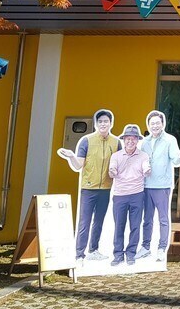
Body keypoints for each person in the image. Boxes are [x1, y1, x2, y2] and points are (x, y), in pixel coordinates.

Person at [57, 109, 120, 264]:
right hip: (88, 188)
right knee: (84, 222)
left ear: (111, 123)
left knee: (99, 221)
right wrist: (71, 156)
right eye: (100, 121)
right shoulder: (87, 140)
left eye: (106, 121)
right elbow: (78, 165)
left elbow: (120, 163)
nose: (103, 124)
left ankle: (93, 250)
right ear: (96, 124)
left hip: (106, 188)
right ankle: (79, 254)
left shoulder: (116, 142)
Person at [136, 110, 180, 262]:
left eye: (157, 123)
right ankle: (145, 247)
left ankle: (161, 248)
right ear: (148, 125)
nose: (155, 126)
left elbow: (175, 159)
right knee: (147, 219)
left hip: (162, 185)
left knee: (163, 219)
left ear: (163, 124)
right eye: (152, 123)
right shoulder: (144, 142)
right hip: (146, 185)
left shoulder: (169, 140)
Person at [108, 123, 151, 266]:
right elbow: (112, 170)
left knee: (135, 226)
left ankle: (131, 254)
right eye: (128, 138)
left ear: (137, 140)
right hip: (120, 195)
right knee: (119, 226)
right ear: (124, 140)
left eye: (133, 138)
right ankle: (118, 255)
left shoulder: (143, 156)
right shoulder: (116, 156)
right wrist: (112, 171)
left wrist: (147, 170)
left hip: (137, 195)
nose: (130, 141)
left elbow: (146, 167)